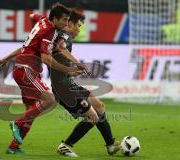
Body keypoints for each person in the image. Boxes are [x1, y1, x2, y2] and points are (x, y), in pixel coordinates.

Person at [0, 3, 83, 154]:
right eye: (64, 20)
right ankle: (17, 122)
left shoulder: (42, 21)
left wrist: (7, 57)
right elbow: (46, 59)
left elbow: (31, 18)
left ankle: (13, 147)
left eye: (68, 20)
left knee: (32, 110)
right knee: (49, 99)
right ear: (54, 19)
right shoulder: (50, 31)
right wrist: (68, 70)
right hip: (27, 70)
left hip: (22, 69)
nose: (66, 23)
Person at [48, 9, 120, 157]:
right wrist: (77, 63)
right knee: (93, 117)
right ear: (69, 23)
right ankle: (66, 145)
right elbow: (60, 48)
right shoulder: (65, 36)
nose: (79, 30)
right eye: (78, 26)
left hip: (68, 83)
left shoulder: (63, 37)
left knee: (99, 106)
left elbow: (57, 60)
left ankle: (111, 145)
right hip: (63, 88)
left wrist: (72, 70)